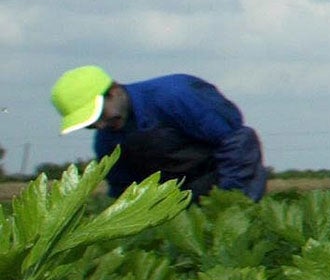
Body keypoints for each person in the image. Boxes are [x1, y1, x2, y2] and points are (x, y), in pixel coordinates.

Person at [50, 65, 267, 199]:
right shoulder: (106, 143)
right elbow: (123, 192)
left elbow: (236, 143)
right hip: (179, 203)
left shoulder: (177, 95)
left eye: (99, 115)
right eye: (89, 124)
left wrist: (229, 201)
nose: (100, 126)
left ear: (114, 91)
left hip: (228, 180)